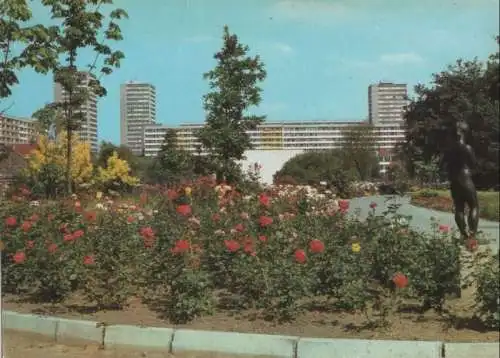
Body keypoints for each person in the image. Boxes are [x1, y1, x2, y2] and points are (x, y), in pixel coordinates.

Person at [440, 122, 479, 239]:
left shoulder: (448, 150)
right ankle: (472, 234)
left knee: (459, 208)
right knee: (474, 206)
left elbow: (442, 166)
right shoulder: (467, 148)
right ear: (464, 133)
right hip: (466, 178)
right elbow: (474, 164)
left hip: (454, 181)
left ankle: (463, 234)